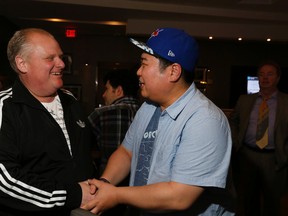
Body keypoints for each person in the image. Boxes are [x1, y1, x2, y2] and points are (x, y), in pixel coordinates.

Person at [82, 27, 234, 215]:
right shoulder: (148, 107)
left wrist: (116, 195)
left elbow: (179, 196)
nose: (138, 72)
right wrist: (104, 184)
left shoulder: (206, 121)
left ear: (173, 72)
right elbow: (126, 153)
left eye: (144, 64)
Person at [0, 28, 97, 216]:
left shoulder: (71, 101)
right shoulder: (6, 107)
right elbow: (4, 180)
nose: (61, 63)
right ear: (22, 64)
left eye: (60, 57)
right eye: (50, 58)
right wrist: (72, 195)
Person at [229, 60, 288, 216]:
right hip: (247, 157)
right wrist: (236, 142)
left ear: (278, 78)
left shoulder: (286, 102)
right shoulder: (245, 100)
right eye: (261, 74)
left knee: (272, 202)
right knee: (247, 201)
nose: (265, 78)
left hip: (274, 159)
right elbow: (233, 121)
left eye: (270, 74)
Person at [88, 69, 140, 216]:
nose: (104, 95)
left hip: (106, 186)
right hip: (141, 189)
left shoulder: (101, 113)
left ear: (118, 90)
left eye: (107, 89)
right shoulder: (150, 113)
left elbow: (79, 145)